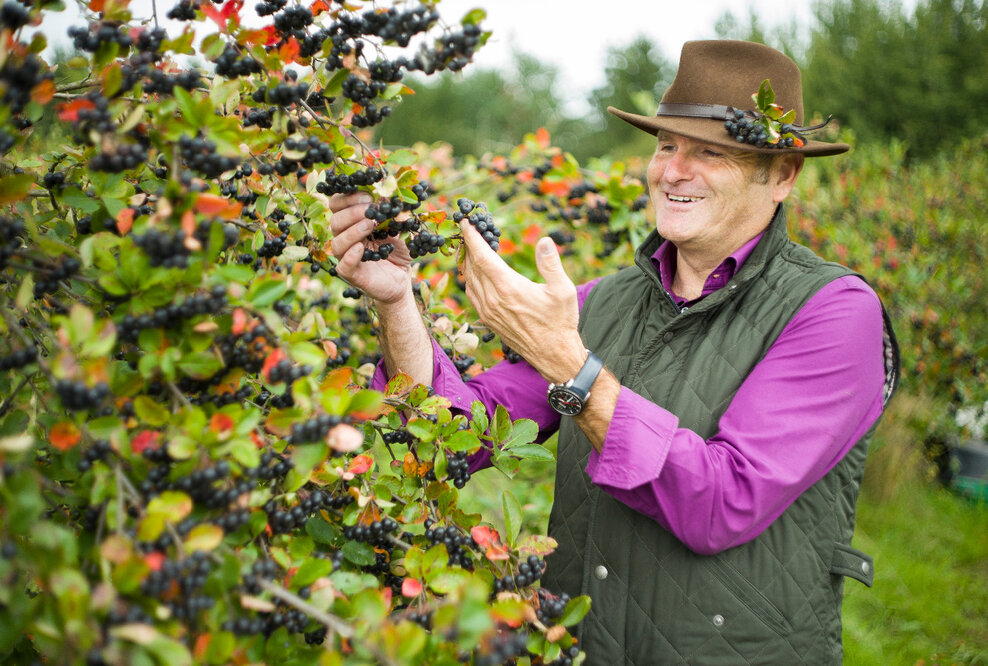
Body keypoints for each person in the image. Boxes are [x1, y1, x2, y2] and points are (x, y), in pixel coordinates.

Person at [329, 40, 899, 665]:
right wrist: (397, 301)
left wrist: (571, 366)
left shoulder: (833, 312)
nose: (673, 171)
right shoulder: (605, 304)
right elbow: (452, 432)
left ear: (782, 176)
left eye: (711, 152)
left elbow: (723, 501)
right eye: (666, 146)